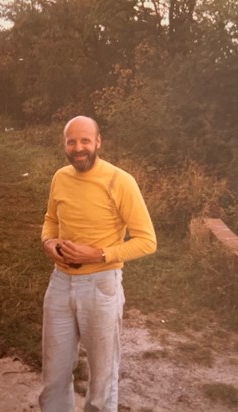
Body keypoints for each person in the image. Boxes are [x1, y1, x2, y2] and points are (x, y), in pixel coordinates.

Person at [39, 116, 157, 412]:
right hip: (60, 283)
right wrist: (48, 243)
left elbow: (147, 241)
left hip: (101, 286)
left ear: (98, 142)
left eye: (85, 141)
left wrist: (98, 255)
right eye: (72, 141)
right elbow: (50, 221)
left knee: (102, 379)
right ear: (64, 144)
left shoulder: (120, 181)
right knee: (53, 375)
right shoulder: (60, 177)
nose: (79, 148)